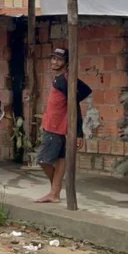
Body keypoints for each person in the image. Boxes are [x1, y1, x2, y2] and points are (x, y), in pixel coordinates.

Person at [36, 48, 92, 203]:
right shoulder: (63, 79)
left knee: (43, 160)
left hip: (55, 128)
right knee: (60, 160)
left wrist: (79, 132)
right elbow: (86, 90)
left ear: (66, 62)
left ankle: (56, 188)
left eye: (59, 59)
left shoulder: (64, 81)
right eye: (53, 58)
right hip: (54, 126)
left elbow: (75, 105)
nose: (55, 62)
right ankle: (54, 193)